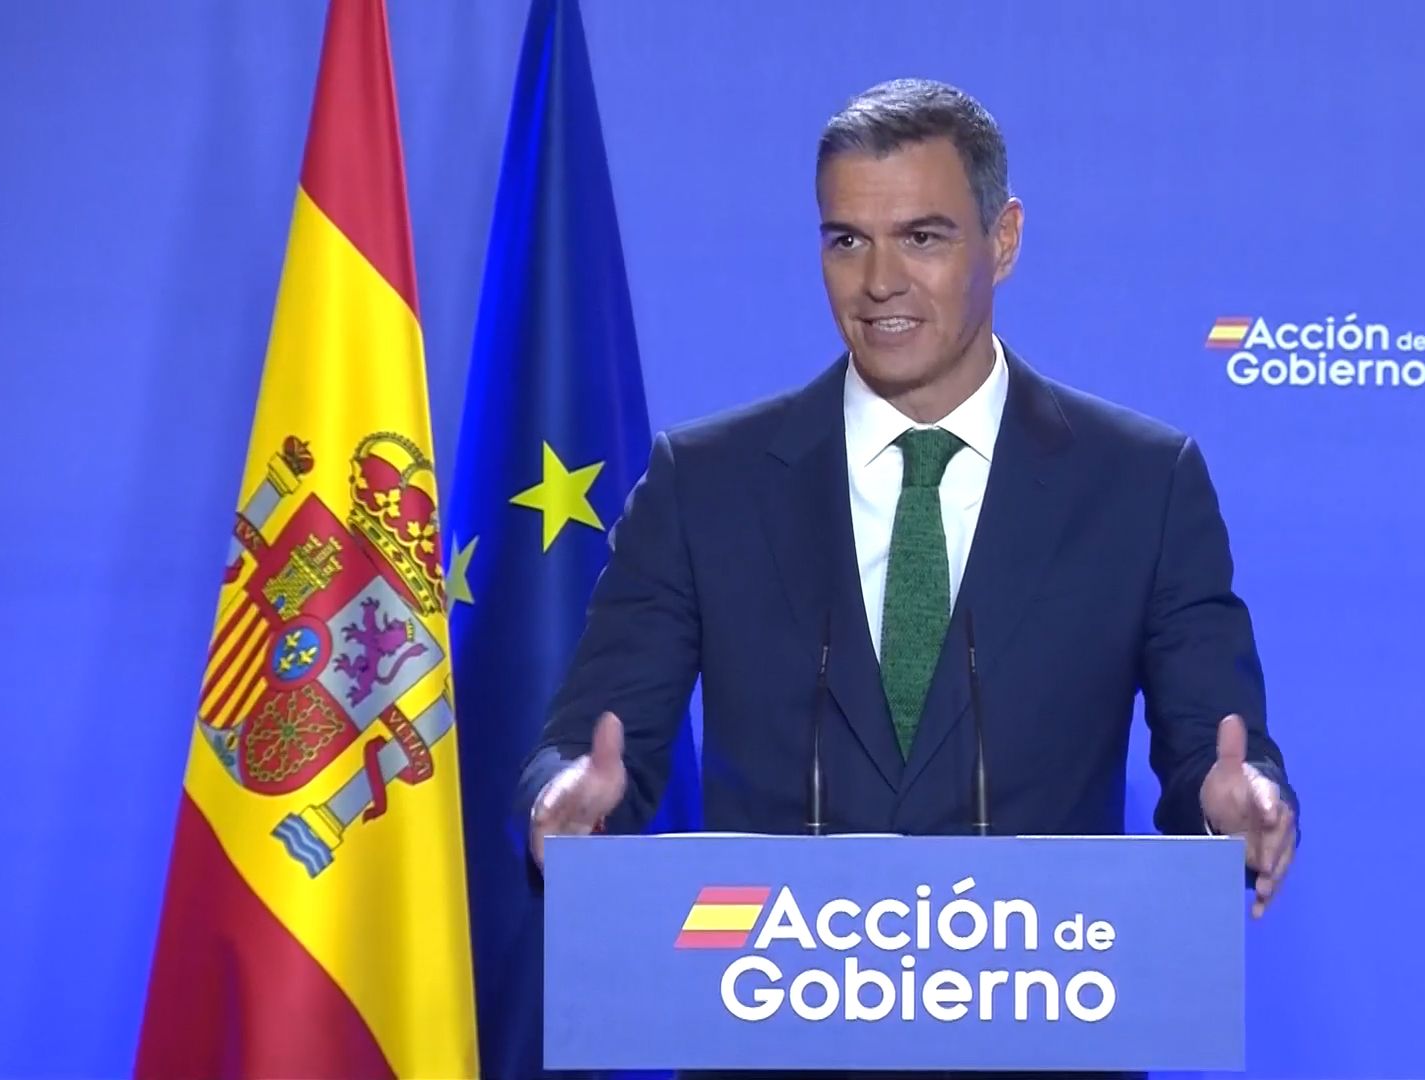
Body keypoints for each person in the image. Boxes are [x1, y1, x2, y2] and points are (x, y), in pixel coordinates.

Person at [516, 78, 1299, 1080]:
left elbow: (1213, 757)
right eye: (847, 240)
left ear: (1002, 239)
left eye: (923, 238)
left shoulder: (1142, 483)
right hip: (771, 1045)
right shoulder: (703, 484)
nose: (878, 280)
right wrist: (566, 802)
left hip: (1041, 1045)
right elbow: (591, 747)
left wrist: (1234, 808)